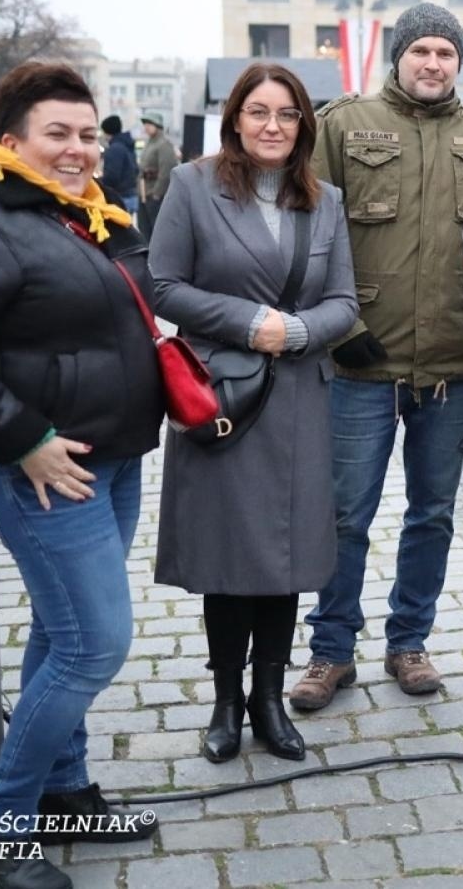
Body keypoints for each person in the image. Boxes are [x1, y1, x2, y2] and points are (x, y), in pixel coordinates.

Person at [0, 62, 163, 889]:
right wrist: (23, 438)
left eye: (88, 134)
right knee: (96, 642)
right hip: (38, 469)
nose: (79, 149)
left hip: (108, 457)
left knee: (63, 634)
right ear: (10, 139)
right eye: (58, 133)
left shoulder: (81, 213)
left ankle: (63, 791)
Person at [291, 3, 463, 709]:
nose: (433, 64)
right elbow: (306, 233)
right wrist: (335, 323)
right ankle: (331, 651)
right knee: (345, 514)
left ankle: (409, 642)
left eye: (446, 53)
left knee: (433, 514)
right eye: (421, 50)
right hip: (361, 361)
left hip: (451, 363)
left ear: (459, 62)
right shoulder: (342, 126)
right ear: (398, 56)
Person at [150, 63, 358, 762]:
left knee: (286, 555)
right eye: (260, 112)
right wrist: (250, 324)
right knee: (228, 557)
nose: (273, 126)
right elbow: (163, 285)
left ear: (304, 124)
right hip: (225, 395)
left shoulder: (324, 199)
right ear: (234, 118)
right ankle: (225, 703)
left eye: (288, 115)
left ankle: (270, 701)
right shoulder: (193, 186)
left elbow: (346, 302)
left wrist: (296, 333)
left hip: (298, 398)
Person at [137, 111, 178, 241]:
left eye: (149, 123)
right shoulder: (149, 143)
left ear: (158, 125)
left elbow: (166, 171)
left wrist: (157, 193)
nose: (146, 126)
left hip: (155, 194)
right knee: (144, 229)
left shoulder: (164, 144)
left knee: (156, 231)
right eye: (145, 124)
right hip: (144, 192)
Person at [99, 115, 139, 215]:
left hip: (120, 198)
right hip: (131, 195)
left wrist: (98, 182)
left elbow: (112, 177)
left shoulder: (114, 149)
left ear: (107, 132)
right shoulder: (127, 145)